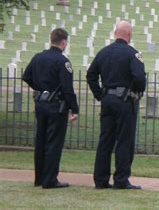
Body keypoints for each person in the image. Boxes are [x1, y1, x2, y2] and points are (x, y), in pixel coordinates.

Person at [87, 20, 146, 190]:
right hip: (125, 102)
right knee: (124, 141)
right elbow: (140, 79)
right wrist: (136, 92)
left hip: (107, 100)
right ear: (129, 34)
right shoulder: (132, 54)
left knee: (105, 140)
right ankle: (121, 179)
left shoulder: (103, 53)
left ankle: (101, 180)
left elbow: (91, 75)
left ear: (115, 33)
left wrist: (100, 95)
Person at [22, 28, 79, 189]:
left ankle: (39, 178)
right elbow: (68, 89)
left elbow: (26, 76)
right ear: (64, 42)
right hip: (56, 106)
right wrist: (74, 109)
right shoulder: (63, 62)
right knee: (54, 142)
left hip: (40, 104)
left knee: (40, 141)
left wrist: (40, 89)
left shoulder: (38, 57)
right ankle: (50, 180)